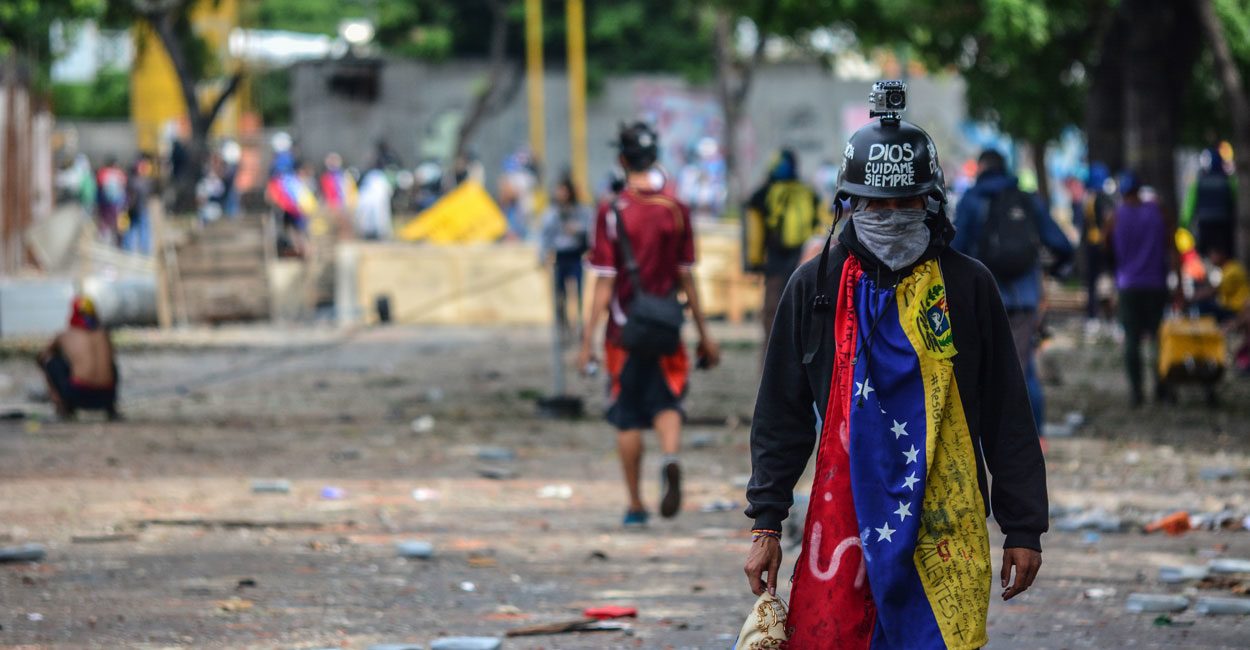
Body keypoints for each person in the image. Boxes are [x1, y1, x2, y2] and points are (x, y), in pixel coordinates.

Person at [743, 103, 1046, 648]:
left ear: (930, 202)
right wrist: (766, 525)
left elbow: (1006, 413)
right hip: (844, 532)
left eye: (905, 201)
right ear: (849, 204)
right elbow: (780, 416)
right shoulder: (816, 288)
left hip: (945, 528)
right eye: (875, 203)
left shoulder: (967, 287)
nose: (890, 214)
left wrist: (1024, 527)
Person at [577, 122, 721, 527]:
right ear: (654, 157)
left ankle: (636, 504)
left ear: (622, 160)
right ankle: (671, 457)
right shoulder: (676, 209)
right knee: (668, 399)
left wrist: (587, 340)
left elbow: (604, 281)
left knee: (627, 411)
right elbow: (687, 276)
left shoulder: (612, 209)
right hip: (666, 324)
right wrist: (706, 335)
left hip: (624, 328)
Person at [952, 149, 1073, 433]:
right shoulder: (1027, 199)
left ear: (981, 168)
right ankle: (1033, 434)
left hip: (980, 298)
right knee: (1023, 368)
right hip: (1024, 298)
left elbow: (954, 250)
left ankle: (984, 437)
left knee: (980, 368)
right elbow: (1063, 245)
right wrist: (1053, 271)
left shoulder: (971, 199)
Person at [1105, 171, 1173, 407]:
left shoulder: (1115, 216)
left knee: (1132, 339)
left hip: (1128, 285)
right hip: (1156, 283)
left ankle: (1136, 392)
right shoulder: (1157, 212)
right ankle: (1161, 388)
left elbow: (1107, 248)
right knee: (1157, 338)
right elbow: (1170, 245)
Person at [745, 149, 823, 348]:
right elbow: (821, 229)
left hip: (775, 267)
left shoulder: (763, 195)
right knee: (802, 315)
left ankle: (771, 366)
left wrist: (755, 263)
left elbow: (755, 233)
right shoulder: (808, 193)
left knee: (772, 316)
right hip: (805, 266)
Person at [36, 297, 119, 420]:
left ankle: (63, 408)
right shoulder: (104, 333)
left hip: (78, 395)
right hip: (107, 396)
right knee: (110, 363)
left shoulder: (65, 335)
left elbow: (42, 356)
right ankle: (111, 409)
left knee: (51, 360)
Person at [539, 175, 592, 333]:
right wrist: (542, 255)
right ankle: (562, 323)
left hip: (575, 256)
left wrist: (578, 230)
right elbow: (545, 235)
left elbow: (591, 230)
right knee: (559, 292)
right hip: (560, 258)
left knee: (579, 292)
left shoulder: (581, 211)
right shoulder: (552, 213)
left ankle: (581, 323)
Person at [1075, 163, 1117, 335]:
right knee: (1108, 284)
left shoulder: (1088, 199)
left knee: (1093, 284)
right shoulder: (1104, 198)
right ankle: (1110, 319)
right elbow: (1109, 221)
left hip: (1091, 246)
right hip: (1104, 247)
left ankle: (1093, 318)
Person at [1183, 146, 1237, 259]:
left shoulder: (1198, 181)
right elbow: (1235, 198)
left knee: (1206, 256)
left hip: (1205, 226)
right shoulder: (1227, 180)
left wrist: (1184, 224)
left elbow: (1189, 207)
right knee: (1224, 255)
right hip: (1224, 225)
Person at [122, 154, 154, 255]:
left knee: (133, 228)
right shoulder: (142, 181)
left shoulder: (132, 180)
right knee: (141, 228)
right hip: (138, 209)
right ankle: (144, 250)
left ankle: (129, 248)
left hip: (134, 208)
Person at [96, 156, 128, 245]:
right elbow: (124, 186)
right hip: (118, 203)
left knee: (104, 222)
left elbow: (99, 186)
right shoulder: (120, 173)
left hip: (105, 203)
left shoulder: (102, 172)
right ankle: (118, 242)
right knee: (117, 223)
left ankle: (103, 240)